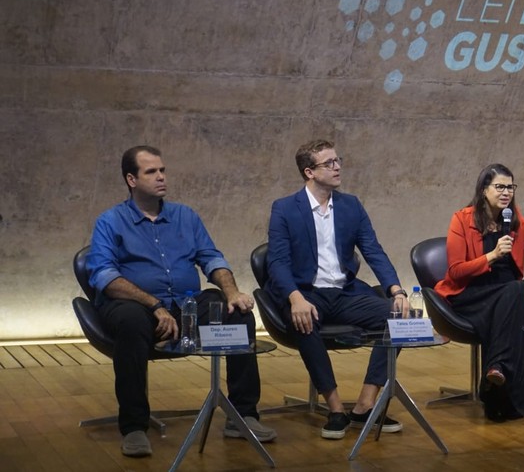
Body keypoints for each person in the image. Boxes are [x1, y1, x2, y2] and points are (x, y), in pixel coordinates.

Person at [86, 145, 276, 458]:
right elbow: (105, 277)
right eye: (151, 172)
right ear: (131, 179)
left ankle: (242, 415)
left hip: (185, 304)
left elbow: (212, 257)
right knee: (131, 321)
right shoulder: (110, 221)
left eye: (162, 170)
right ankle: (134, 427)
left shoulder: (185, 216)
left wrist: (231, 291)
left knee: (237, 313)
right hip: (137, 307)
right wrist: (154, 305)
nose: (161, 177)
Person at [265, 139, 410, 440]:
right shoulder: (284, 209)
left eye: (337, 160)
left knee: (400, 318)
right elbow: (277, 263)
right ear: (309, 172)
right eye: (328, 163)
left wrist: (396, 290)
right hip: (306, 292)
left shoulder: (351, 205)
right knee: (303, 321)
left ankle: (364, 404)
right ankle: (334, 408)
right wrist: (295, 298)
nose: (337, 166)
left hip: (344, 292)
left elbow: (373, 251)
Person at [434, 164, 524, 420]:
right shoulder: (462, 219)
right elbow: (456, 271)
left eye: (510, 187)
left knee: (522, 310)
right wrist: (492, 256)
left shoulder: (514, 220)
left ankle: (498, 388)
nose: (506, 192)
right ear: (484, 190)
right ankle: (498, 371)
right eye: (500, 186)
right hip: (471, 293)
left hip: (507, 295)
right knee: (517, 298)